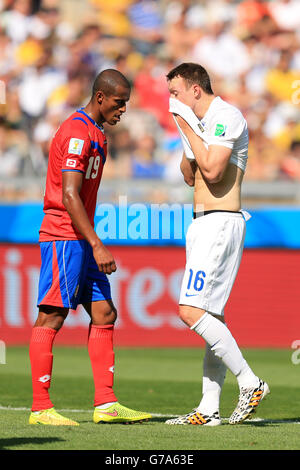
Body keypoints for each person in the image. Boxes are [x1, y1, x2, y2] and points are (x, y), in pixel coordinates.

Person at [28, 69, 152, 426]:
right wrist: (97, 244)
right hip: (64, 237)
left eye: (126, 103)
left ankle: (106, 404)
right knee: (52, 315)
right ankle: (40, 408)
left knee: (104, 314)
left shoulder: (97, 133)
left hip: (82, 237)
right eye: (119, 102)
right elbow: (68, 194)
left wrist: (92, 241)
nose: (123, 109)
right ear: (100, 97)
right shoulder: (77, 133)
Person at [165, 62, 269, 426]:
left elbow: (213, 172)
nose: (171, 101)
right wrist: (188, 133)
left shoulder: (226, 115)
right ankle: (209, 408)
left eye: (175, 93)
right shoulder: (198, 123)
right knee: (210, 316)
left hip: (221, 222)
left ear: (196, 89)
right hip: (200, 222)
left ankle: (250, 382)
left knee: (190, 311)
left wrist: (186, 125)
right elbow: (190, 175)